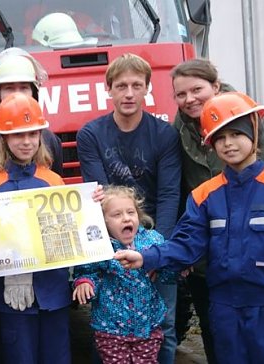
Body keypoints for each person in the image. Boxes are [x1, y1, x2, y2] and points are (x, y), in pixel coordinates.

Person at [115, 92, 264, 364]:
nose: (228, 143)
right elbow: (187, 245)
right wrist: (146, 257)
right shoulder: (204, 195)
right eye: (219, 138)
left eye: (235, 134)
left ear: (254, 133)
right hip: (224, 310)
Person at [169, 58, 264, 362]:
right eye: (181, 94)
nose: (190, 99)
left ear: (215, 86)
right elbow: (180, 189)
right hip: (207, 249)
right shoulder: (177, 129)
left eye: (197, 89)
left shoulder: (245, 116)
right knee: (215, 332)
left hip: (254, 247)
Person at [76, 53, 181, 363]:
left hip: (155, 241)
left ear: (148, 88)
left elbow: (169, 193)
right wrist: (115, 250)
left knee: (165, 327)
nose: (129, 93)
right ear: (109, 89)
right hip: (111, 245)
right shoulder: (91, 134)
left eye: (137, 85)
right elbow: (101, 196)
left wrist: (155, 253)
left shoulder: (164, 135)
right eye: (121, 86)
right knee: (108, 331)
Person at [0, 93, 72, 364]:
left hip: (53, 292)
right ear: (3, 138)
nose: (27, 141)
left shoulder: (54, 182)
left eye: (32, 133)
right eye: (18, 135)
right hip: (10, 298)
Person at [72, 185, 172, 363]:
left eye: (130, 212)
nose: (126, 218)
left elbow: (167, 268)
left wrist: (178, 267)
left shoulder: (153, 240)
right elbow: (87, 269)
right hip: (110, 328)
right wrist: (84, 281)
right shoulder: (99, 247)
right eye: (116, 215)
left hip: (147, 326)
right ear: (102, 221)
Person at [0, 47, 64, 178]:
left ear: (33, 93)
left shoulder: (50, 140)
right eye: (9, 88)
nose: (17, 93)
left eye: (24, 87)